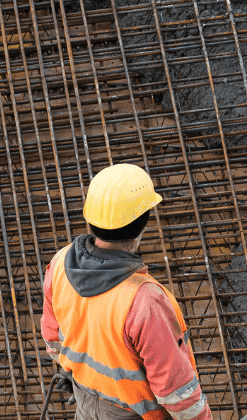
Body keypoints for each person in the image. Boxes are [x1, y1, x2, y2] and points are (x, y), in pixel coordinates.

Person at [42, 164, 212, 420]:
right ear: (143, 222)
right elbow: (178, 394)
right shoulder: (144, 301)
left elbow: (54, 343)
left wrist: (80, 375)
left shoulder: (59, 265)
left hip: (86, 407)